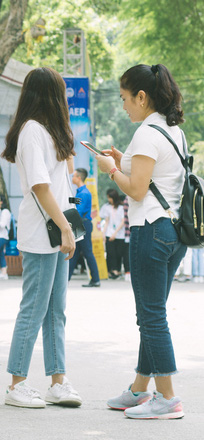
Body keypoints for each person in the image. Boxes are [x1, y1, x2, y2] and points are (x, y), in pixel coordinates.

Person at [95, 64, 187, 419]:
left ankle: (167, 398)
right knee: (154, 315)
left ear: (142, 97)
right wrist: (123, 161)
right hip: (173, 232)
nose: (123, 106)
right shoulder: (171, 130)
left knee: (150, 318)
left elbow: (136, 188)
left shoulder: (147, 133)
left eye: (125, 99)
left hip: (151, 230)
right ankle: (139, 389)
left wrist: (112, 170)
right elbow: (154, 177)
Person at [0, 67, 81, 409]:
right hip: (42, 233)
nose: (65, 98)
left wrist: (66, 225)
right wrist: (64, 227)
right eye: (61, 92)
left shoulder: (47, 131)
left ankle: (57, 381)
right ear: (50, 95)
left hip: (57, 233)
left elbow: (61, 183)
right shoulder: (32, 131)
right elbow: (39, 186)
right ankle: (17, 383)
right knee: (34, 309)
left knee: (55, 311)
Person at [67, 168, 101, 287]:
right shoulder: (81, 192)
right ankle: (66, 279)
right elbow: (72, 203)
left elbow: (78, 212)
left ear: (79, 178)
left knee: (87, 252)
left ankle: (96, 279)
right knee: (75, 252)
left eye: (74, 176)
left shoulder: (84, 193)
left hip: (83, 224)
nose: (72, 178)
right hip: (82, 224)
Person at [99, 188, 126, 279]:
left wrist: (115, 233)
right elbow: (106, 221)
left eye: (110, 197)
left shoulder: (121, 208)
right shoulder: (107, 207)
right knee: (111, 253)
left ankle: (117, 270)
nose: (108, 199)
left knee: (119, 253)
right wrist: (103, 233)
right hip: (109, 233)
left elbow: (123, 221)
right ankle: (112, 270)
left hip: (120, 234)